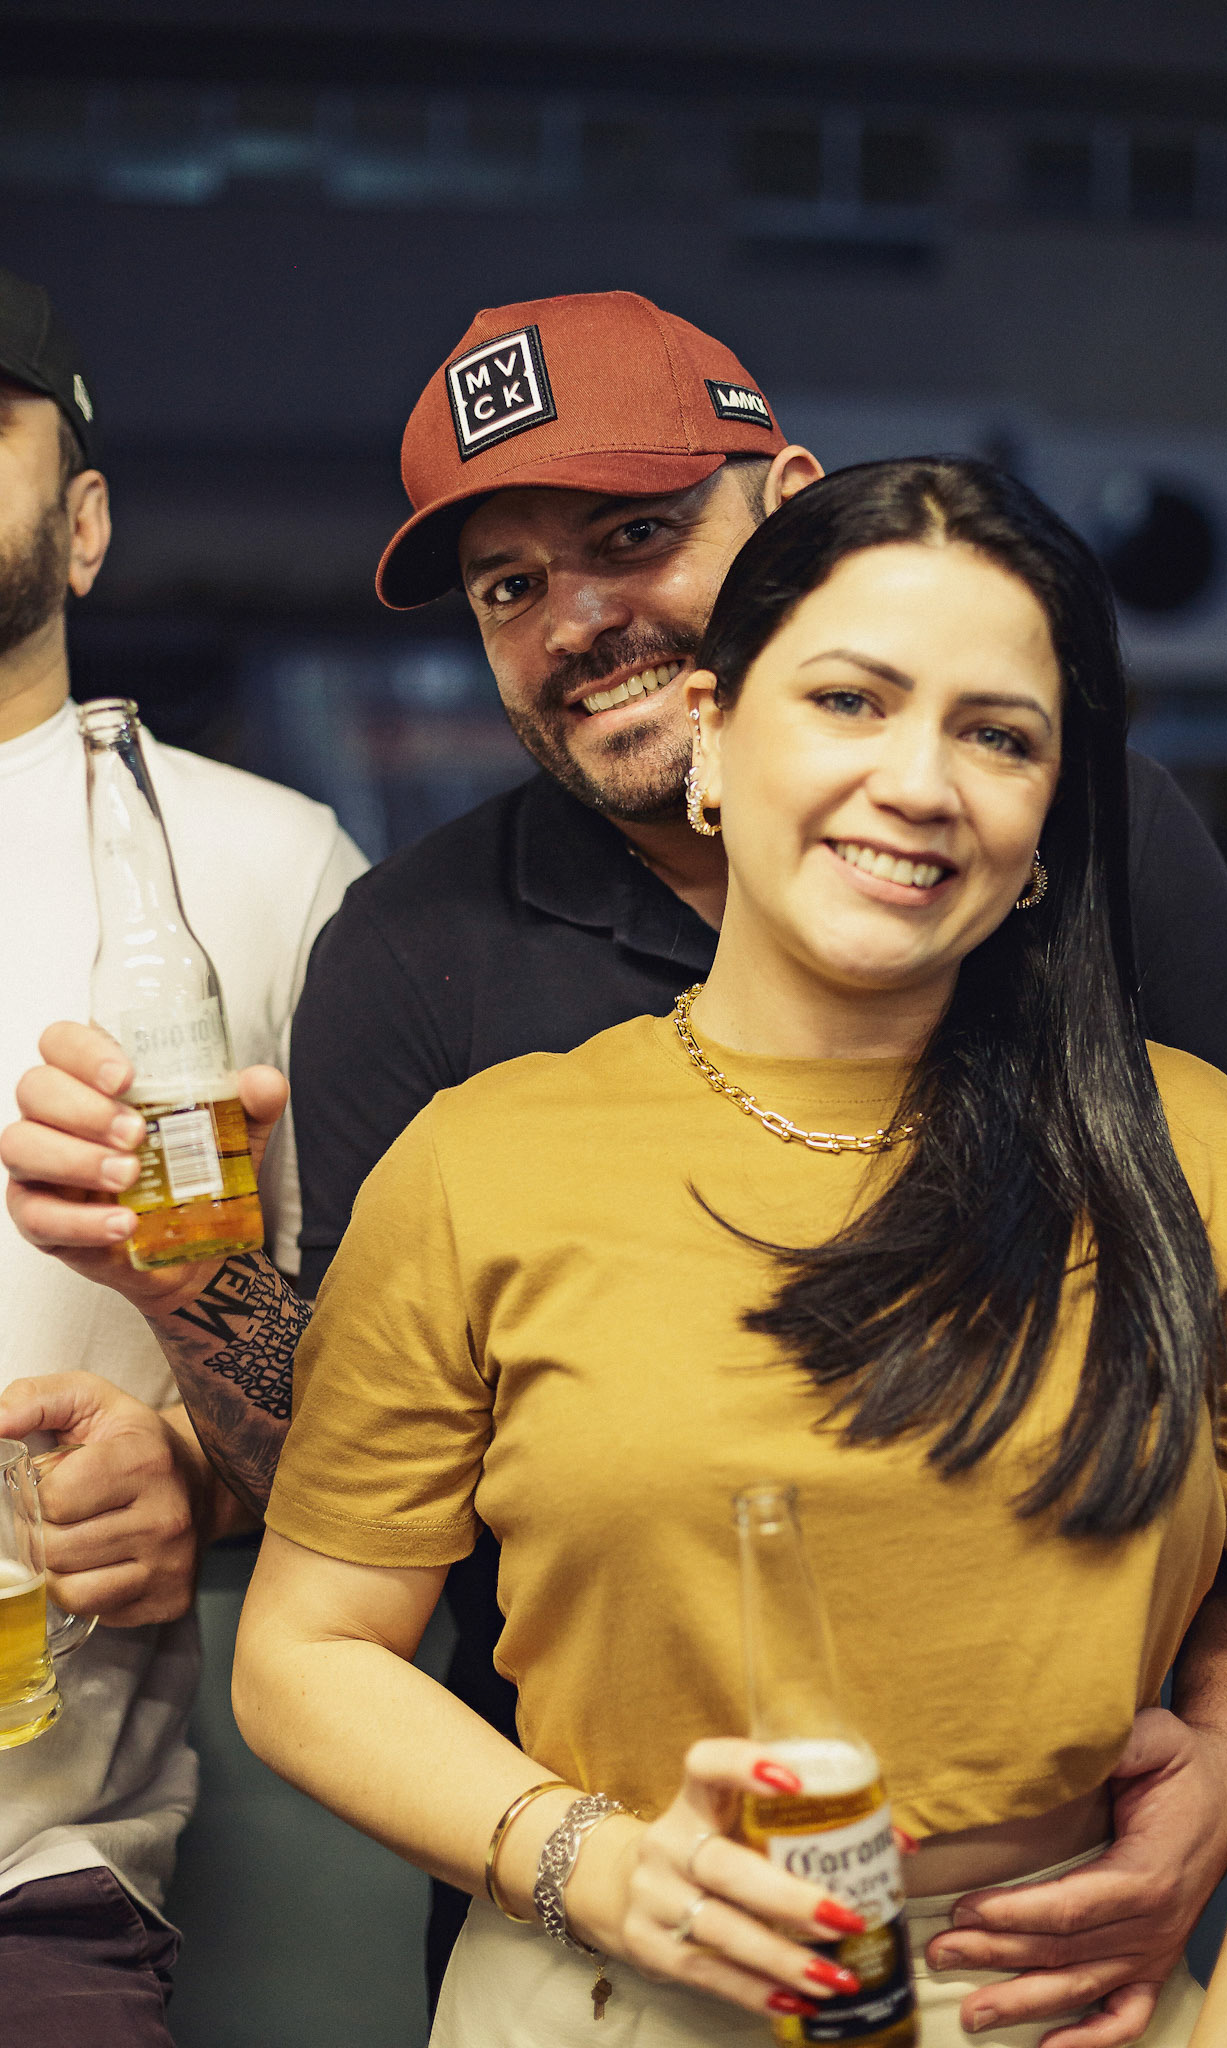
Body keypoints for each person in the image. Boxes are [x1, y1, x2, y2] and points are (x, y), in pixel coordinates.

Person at [1, 294, 1227, 2039]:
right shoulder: (423, 970)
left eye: (632, 535)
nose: (576, 618)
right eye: (507, 587)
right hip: (588, 1888)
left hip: (1047, 1937)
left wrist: (1226, 1739)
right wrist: (190, 1295)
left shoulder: (1094, 858)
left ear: (791, 511)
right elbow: (352, 1498)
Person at [0, 267, 367, 2042]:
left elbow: (376, 1412)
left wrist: (202, 1481)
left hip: (37, 1881)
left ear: (82, 527)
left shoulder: (262, 870)